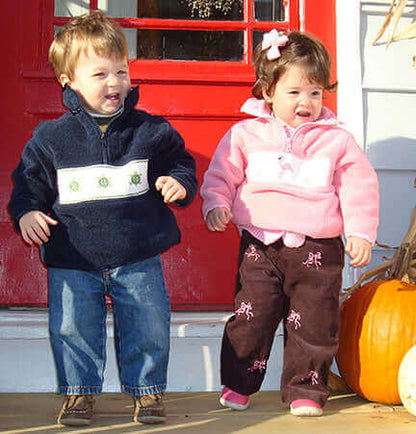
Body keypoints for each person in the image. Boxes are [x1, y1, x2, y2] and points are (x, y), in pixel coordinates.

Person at [8, 11, 198, 427]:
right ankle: (79, 394)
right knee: (72, 327)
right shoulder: (50, 138)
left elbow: (181, 162)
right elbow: (28, 183)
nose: (114, 83)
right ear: (69, 82)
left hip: (138, 253)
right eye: (99, 74)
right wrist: (27, 212)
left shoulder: (150, 130)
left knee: (148, 323)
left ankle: (147, 391)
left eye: (121, 71)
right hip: (73, 256)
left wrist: (179, 183)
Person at [200, 30, 378, 417]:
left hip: (318, 250)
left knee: (314, 322)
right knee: (252, 317)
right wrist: (216, 204)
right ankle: (239, 383)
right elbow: (220, 176)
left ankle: (306, 389)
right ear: (268, 91)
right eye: (295, 92)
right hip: (260, 247)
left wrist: (361, 231)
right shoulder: (245, 135)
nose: (306, 102)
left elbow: (358, 187)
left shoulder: (337, 141)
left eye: (315, 93)